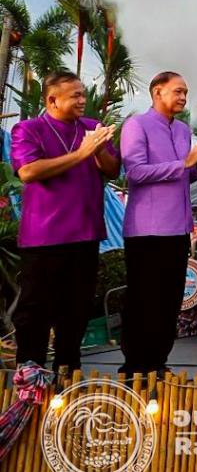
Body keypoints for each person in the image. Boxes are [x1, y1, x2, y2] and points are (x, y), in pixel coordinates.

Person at [11, 71, 120, 372]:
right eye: (76, 95)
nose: (83, 100)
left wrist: (98, 149)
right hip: (44, 236)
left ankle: (68, 371)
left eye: (83, 93)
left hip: (86, 233)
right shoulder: (28, 129)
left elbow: (113, 170)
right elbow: (28, 171)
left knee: (77, 308)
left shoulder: (91, 128)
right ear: (52, 100)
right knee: (35, 310)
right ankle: (30, 373)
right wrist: (82, 153)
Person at [119, 71, 197, 376]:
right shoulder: (137, 125)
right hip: (146, 228)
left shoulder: (183, 130)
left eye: (185, 92)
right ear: (157, 92)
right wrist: (183, 163)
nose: (183, 97)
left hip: (178, 226)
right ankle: (135, 365)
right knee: (143, 298)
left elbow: (184, 176)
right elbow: (135, 172)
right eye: (178, 91)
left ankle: (158, 362)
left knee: (170, 299)